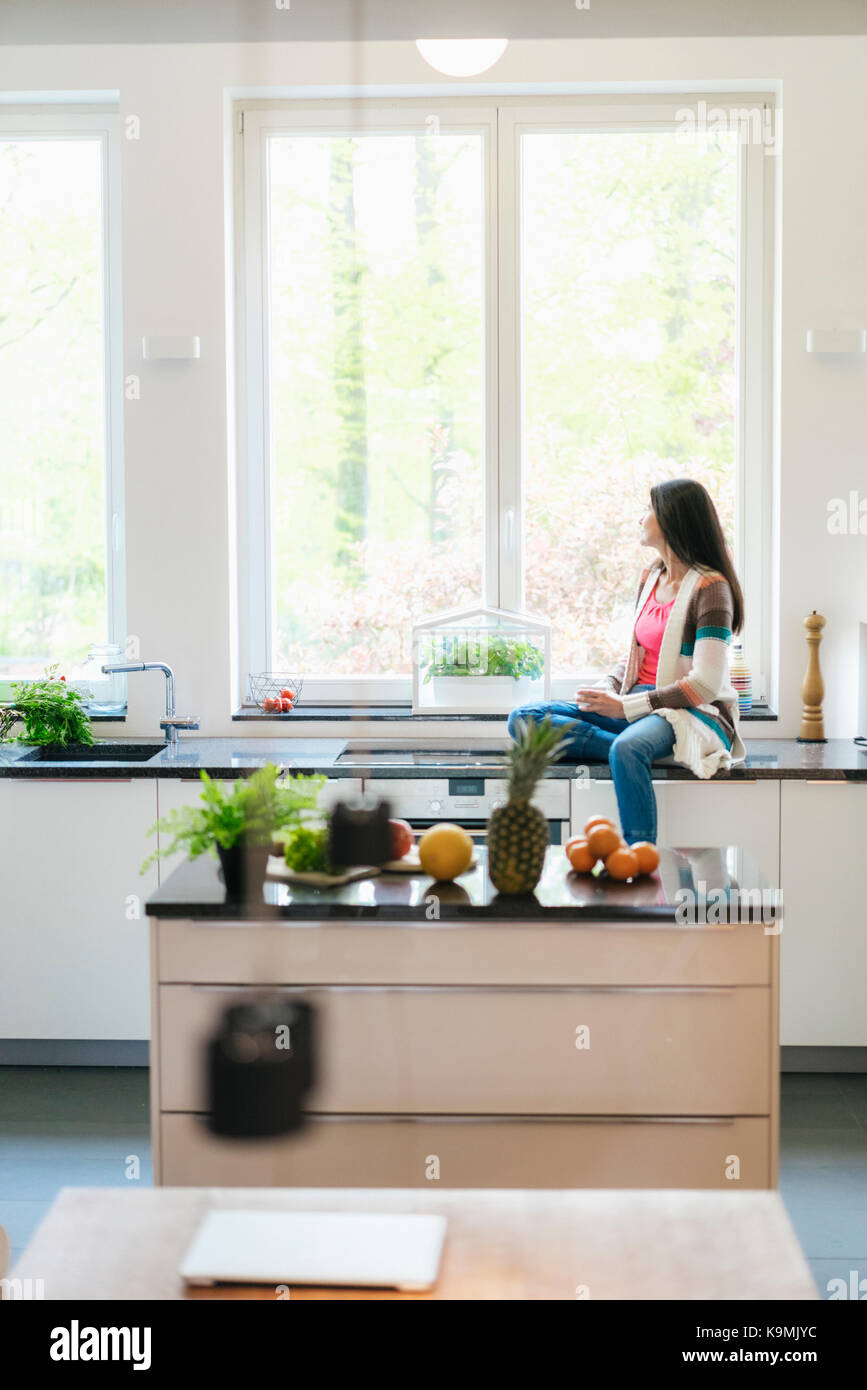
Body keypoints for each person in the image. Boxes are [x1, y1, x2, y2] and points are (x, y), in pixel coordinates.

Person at [507, 478, 747, 846]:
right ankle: (650, 752)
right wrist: (608, 688)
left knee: (627, 748)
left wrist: (626, 707)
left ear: (671, 520)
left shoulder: (711, 588)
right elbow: (636, 655)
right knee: (524, 719)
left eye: (649, 510)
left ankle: (641, 857)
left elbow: (705, 685)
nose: (642, 519)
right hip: (638, 703)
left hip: (690, 711)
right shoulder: (651, 577)